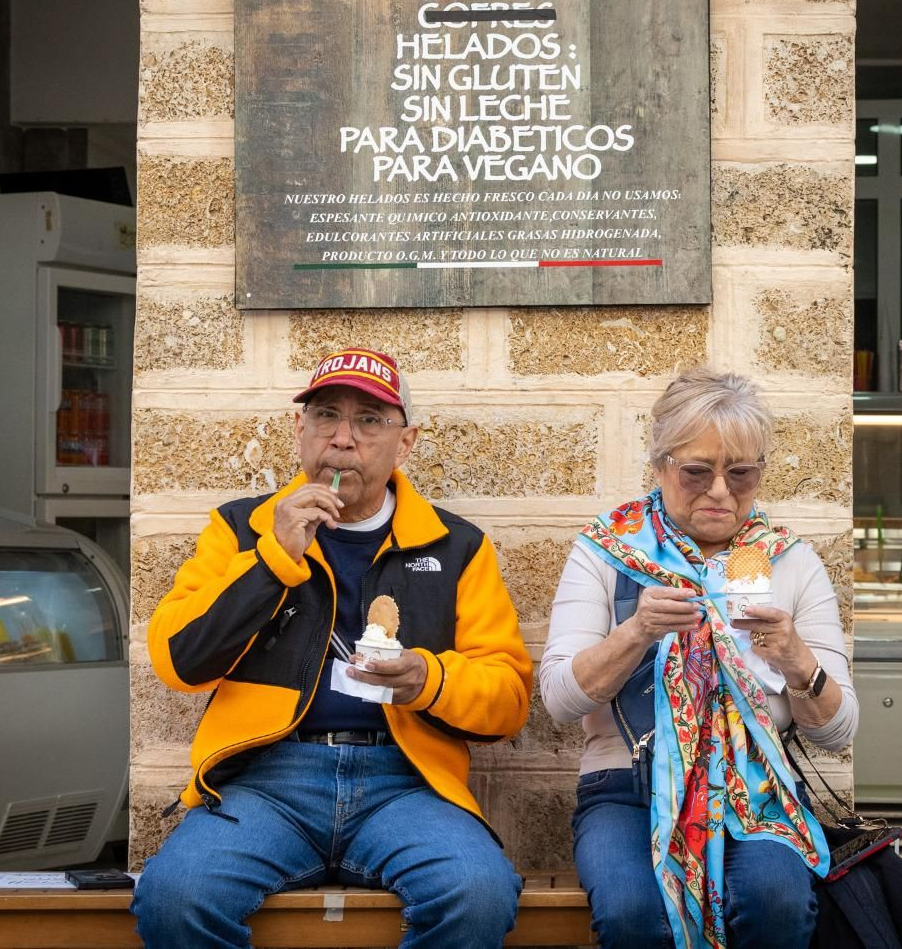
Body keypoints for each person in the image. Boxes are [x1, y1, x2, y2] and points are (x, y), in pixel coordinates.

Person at [132, 348, 533, 949]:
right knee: (175, 895)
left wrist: (431, 679)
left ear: (406, 442)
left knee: (477, 893)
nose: (343, 439)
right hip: (268, 778)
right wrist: (272, 559)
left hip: (406, 780)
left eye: (370, 421)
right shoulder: (240, 529)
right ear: (300, 430)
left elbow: (508, 700)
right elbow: (179, 660)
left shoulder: (456, 547)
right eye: (326, 416)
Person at [539, 367, 859, 949]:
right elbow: (560, 700)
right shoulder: (607, 554)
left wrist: (796, 660)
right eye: (696, 471)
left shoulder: (790, 561)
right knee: (635, 916)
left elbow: (839, 731)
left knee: (776, 902)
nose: (719, 491)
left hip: (756, 787)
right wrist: (634, 632)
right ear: (659, 465)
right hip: (625, 785)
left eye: (741, 474)